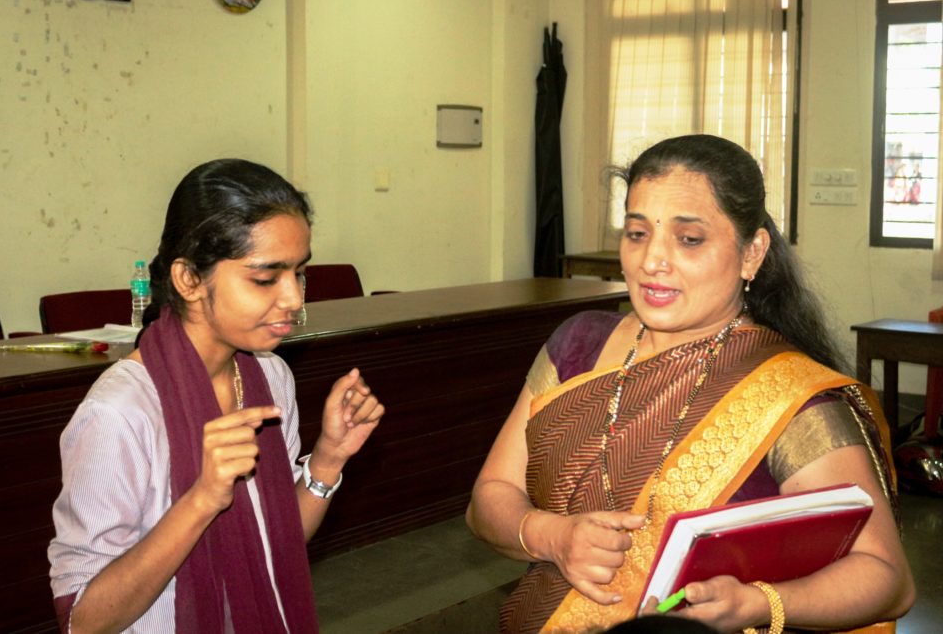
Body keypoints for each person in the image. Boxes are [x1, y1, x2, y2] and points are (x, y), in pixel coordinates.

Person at [466, 135, 915, 634]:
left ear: (752, 253)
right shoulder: (578, 345)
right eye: (637, 233)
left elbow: (888, 578)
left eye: (689, 239)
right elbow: (490, 495)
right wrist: (552, 535)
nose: (652, 260)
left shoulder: (788, 394)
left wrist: (758, 603)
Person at [48, 159, 385, 633]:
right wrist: (201, 499)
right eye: (266, 278)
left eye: (299, 274)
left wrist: (328, 460)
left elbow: (278, 544)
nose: (293, 299)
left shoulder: (269, 376)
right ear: (188, 279)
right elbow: (82, 620)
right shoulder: (120, 413)